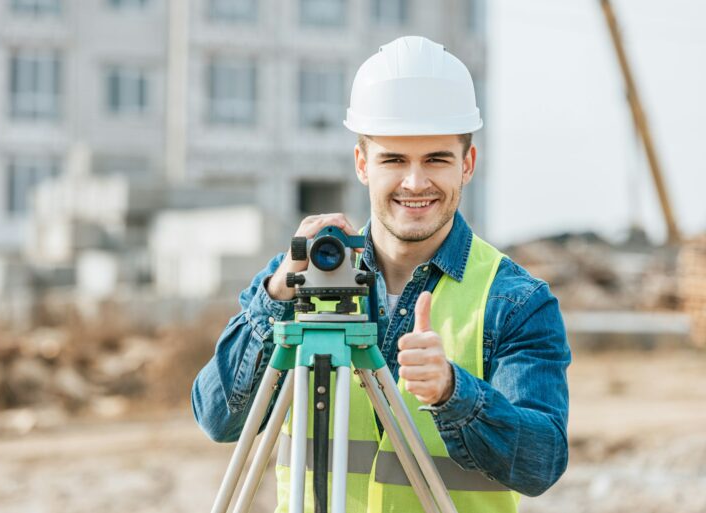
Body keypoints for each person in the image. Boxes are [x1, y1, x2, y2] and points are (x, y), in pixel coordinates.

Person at [193, 36, 570, 513]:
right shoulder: (297, 278)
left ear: (467, 165)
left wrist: (455, 393)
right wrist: (276, 295)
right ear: (362, 164)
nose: (415, 182)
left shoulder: (513, 300)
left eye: (436, 159)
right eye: (394, 159)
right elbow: (216, 419)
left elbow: (541, 463)